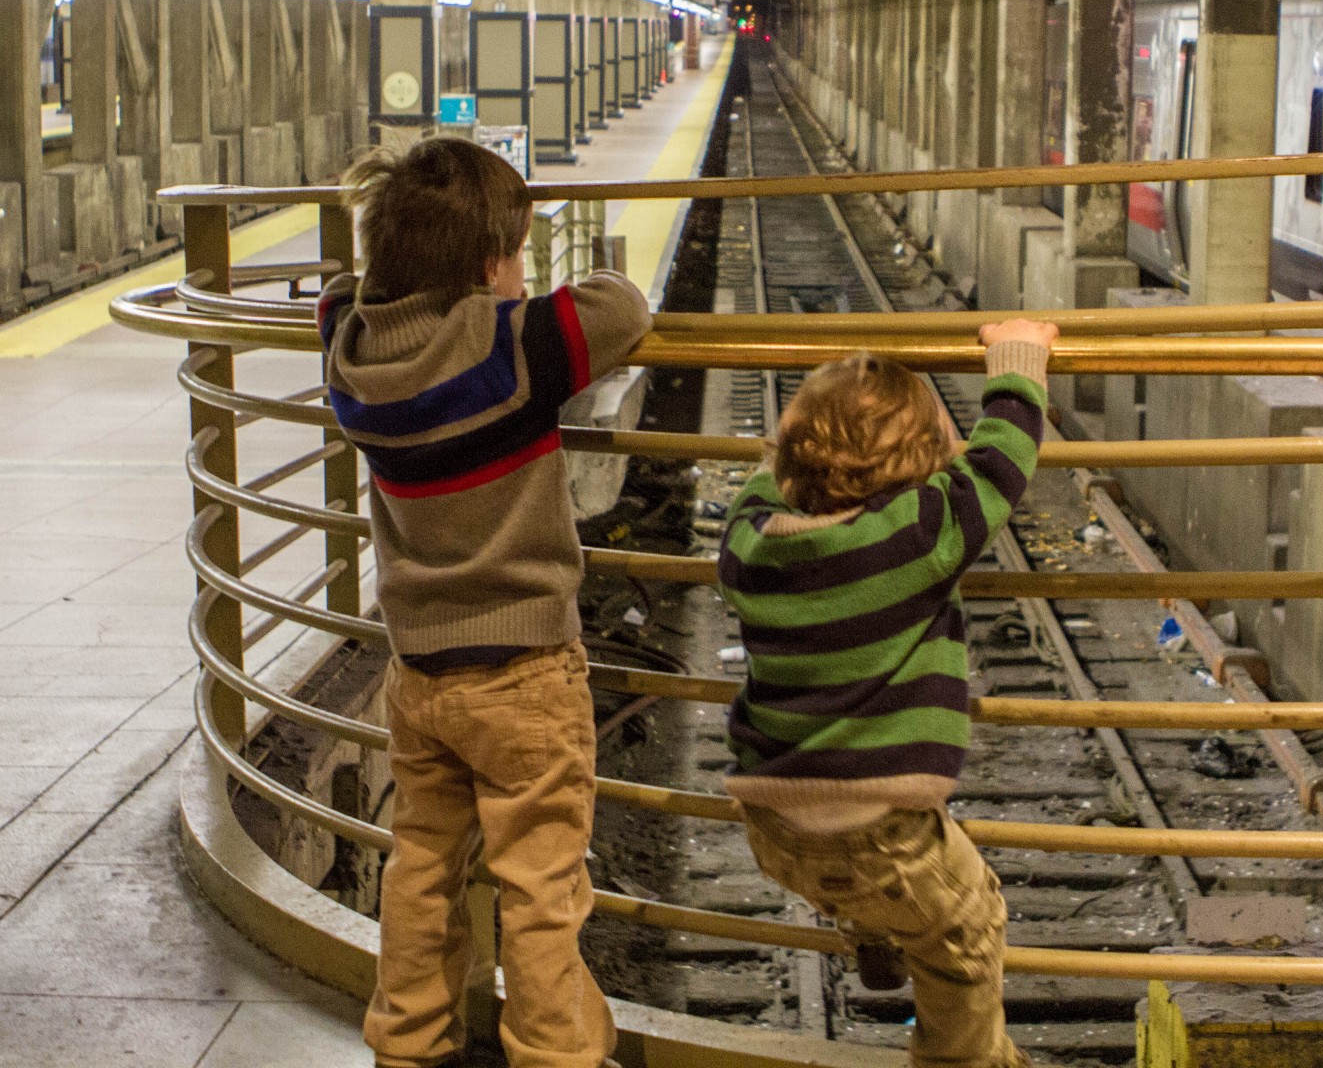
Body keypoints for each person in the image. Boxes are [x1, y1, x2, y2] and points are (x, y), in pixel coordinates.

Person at [317, 136, 650, 1068]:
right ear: (486, 265)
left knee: (421, 866)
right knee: (540, 889)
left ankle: (408, 1041)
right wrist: (510, 300)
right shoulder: (510, 349)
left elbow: (338, 294)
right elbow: (619, 306)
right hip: (525, 672)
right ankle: (554, 1053)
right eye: (513, 255)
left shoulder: (352, 356)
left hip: (419, 670)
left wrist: (390, 274)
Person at [717, 319, 1059, 1068]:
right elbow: (1001, 462)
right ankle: (963, 1062)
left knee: (869, 884)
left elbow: (758, 488)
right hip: (882, 834)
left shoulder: (750, 547)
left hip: (773, 825)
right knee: (968, 926)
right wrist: (1019, 354)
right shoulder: (920, 534)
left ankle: (871, 929)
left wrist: (798, 441)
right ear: (924, 469)